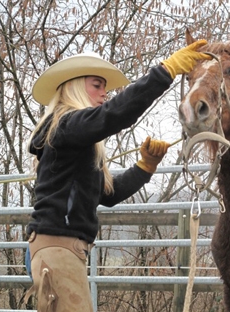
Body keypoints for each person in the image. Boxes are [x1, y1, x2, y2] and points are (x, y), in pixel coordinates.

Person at [23, 40, 211, 312]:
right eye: (96, 85)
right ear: (74, 86)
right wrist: (165, 71)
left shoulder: (73, 138)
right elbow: (113, 115)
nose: (104, 94)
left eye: (105, 88)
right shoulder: (65, 124)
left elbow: (106, 195)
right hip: (57, 249)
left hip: (62, 250)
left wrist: (145, 166)